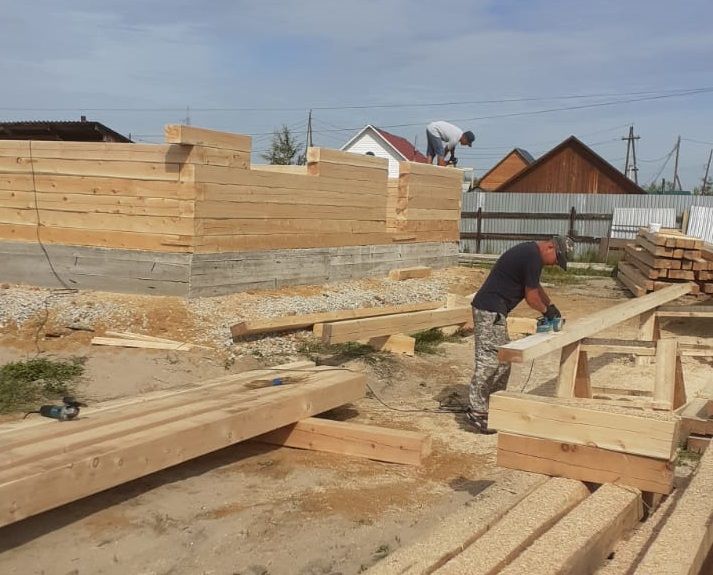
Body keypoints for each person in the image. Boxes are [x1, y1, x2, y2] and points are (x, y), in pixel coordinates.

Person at [467, 236, 573, 433]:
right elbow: (531, 297)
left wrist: (551, 306)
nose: (554, 264)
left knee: (504, 360)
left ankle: (495, 405)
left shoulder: (531, 254)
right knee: (489, 361)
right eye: (556, 259)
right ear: (550, 247)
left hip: (496, 312)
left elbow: (535, 287)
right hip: (488, 310)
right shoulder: (532, 256)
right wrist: (546, 312)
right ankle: (477, 411)